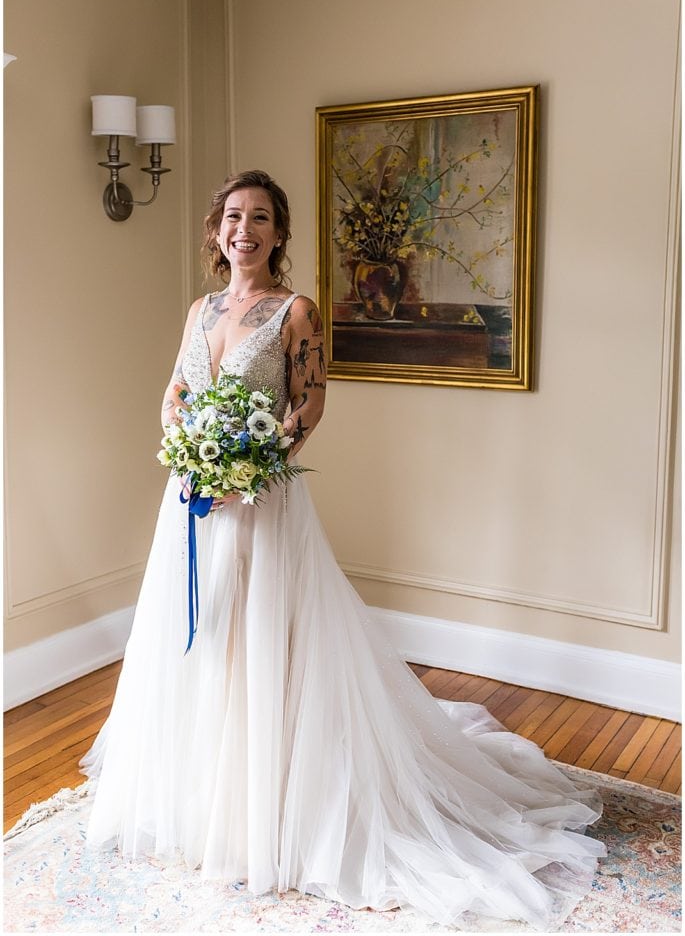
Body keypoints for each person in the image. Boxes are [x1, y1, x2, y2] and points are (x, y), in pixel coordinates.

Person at [80, 169, 606, 930]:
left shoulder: (295, 311)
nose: (244, 230)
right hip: (193, 503)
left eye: (260, 218)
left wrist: (250, 467)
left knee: (266, 645)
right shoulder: (198, 309)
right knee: (203, 641)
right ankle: (207, 799)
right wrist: (183, 446)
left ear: (278, 233)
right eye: (233, 217)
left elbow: (311, 400)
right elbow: (173, 394)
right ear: (214, 230)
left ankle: (277, 803)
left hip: (259, 503)